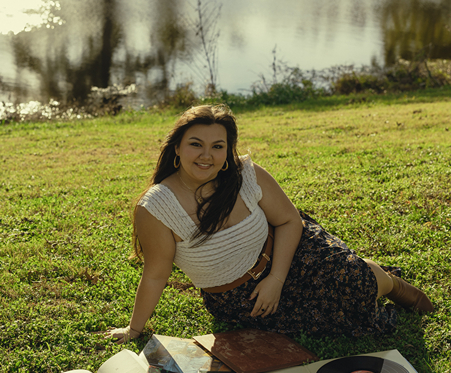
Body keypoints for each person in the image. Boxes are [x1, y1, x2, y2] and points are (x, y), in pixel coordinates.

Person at [105, 104, 433, 345]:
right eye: (196, 144)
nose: (207, 155)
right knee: (337, 320)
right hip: (240, 299)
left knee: (360, 279)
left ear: (227, 151)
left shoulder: (246, 175)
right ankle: (371, 275)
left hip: (291, 250)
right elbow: (156, 274)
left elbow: (290, 221)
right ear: (177, 148)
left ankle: (390, 282)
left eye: (217, 146)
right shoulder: (157, 207)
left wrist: (276, 277)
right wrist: (134, 329)